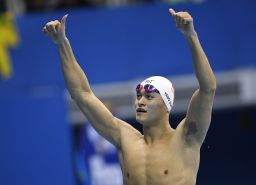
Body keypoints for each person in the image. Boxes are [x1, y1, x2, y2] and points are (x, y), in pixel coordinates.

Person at [43, 8, 216, 185]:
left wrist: (191, 35)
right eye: (139, 96)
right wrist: (62, 43)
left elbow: (208, 88)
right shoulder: (125, 138)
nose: (140, 101)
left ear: (166, 105)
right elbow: (81, 94)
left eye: (149, 97)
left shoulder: (186, 138)